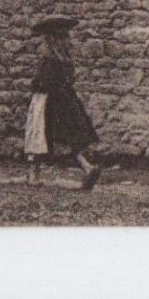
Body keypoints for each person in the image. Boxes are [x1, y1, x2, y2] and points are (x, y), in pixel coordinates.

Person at [24, 15, 102, 190]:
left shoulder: (58, 59)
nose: (67, 41)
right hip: (52, 101)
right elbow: (46, 82)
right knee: (47, 136)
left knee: (55, 136)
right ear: (55, 39)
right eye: (63, 37)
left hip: (55, 101)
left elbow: (51, 82)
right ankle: (85, 167)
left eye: (67, 37)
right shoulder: (52, 59)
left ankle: (86, 167)